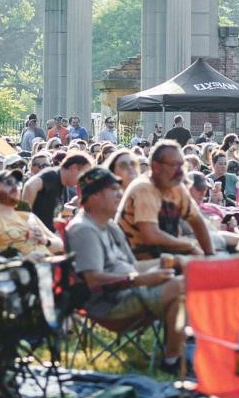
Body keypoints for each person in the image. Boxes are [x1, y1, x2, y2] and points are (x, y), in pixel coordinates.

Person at [66, 167, 187, 373]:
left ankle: (173, 360)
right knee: (185, 284)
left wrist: (169, 262)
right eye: (113, 189)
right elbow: (93, 280)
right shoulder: (84, 229)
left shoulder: (110, 225)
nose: (120, 194)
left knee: (185, 277)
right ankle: (194, 353)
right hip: (109, 304)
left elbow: (133, 265)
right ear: (94, 196)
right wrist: (141, 279)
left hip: (130, 290)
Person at [116, 140, 214, 259]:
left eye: (181, 165)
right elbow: (151, 236)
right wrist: (189, 246)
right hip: (134, 261)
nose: (180, 171)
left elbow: (197, 221)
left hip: (165, 257)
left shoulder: (176, 186)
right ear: (156, 166)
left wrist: (210, 255)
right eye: (173, 165)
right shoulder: (144, 188)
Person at [0, 170, 64, 259]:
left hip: (49, 265)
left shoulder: (28, 216)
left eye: (17, 184)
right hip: (22, 270)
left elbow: (61, 245)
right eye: (9, 183)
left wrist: (45, 241)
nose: (15, 187)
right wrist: (23, 260)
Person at [22, 151, 91, 232]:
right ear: (74, 168)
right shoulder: (52, 175)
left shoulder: (62, 182)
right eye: (84, 174)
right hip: (36, 236)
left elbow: (58, 207)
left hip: (48, 235)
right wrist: (25, 218)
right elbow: (29, 186)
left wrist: (75, 211)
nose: (83, 180)